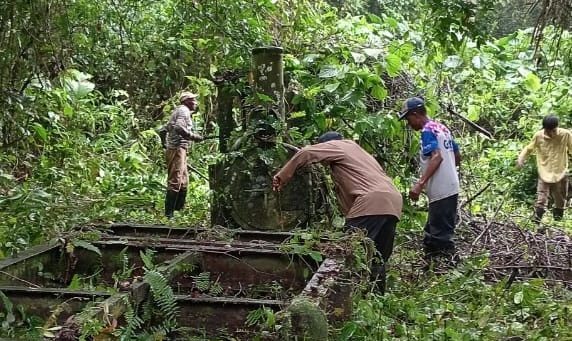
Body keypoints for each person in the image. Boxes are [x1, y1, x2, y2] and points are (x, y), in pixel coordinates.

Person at [272, 131, 403, 293]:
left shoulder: (339, 146)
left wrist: (282, 176)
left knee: (347, 253)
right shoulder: (360, 153)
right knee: (378, 257)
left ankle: (340, 297)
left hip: (371, 201)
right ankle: (376, 296)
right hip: (393, 202)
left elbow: (307, 152)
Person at [399, 97, 461, 259]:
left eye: (408, 118)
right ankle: (431, 267)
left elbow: (437, 157)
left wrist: (420, 184)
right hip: (450, 186)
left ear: (415, 114)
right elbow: (457, 155)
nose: (408, 123)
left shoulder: (427, 130)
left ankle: (449, 270)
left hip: (442, 189)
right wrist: (449, 172)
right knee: (433, 232)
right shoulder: (441, 128)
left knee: (440, 235)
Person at [517, 114, 572, 223]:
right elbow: (528, 149)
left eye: (554, 130)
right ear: (544, 129)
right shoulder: (538, 136)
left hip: (560, 171)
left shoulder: (566, 135)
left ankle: (558, 223)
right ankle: (535, 224)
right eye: (548, 131)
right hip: (544, 172)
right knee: (541, 199)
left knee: (560, 200)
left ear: (557, 127)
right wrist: (521, 159)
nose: (551, 133)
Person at [158, 92, 204, 218]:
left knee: (183, 181)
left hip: (178, 149)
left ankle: (179, 211)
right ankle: (169, 214)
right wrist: (193, 137)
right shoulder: (184, 111)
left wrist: (164, 144)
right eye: (193, 100)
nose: (195, 103)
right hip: (177, 149)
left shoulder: (178, 111)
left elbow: (163, 130)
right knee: (175, 180)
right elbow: (178, 128)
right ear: (187, 101)